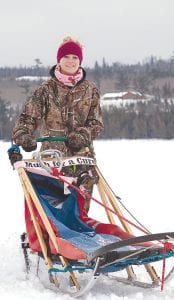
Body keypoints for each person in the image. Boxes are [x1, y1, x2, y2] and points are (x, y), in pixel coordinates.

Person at [10, 35, 104, 211]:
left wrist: (83, 135)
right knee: (52, 211)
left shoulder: (91, 90)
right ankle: (47, 235)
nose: (70, 61)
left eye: (75, 57)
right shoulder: (46, 90)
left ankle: (79, 234)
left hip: (81, 159)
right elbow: (28, 118)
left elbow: (96, 122)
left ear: (80, 61)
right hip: (51, 160)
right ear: (58, 60)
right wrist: (23, 135)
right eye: (66, 57)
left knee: (79, 211)